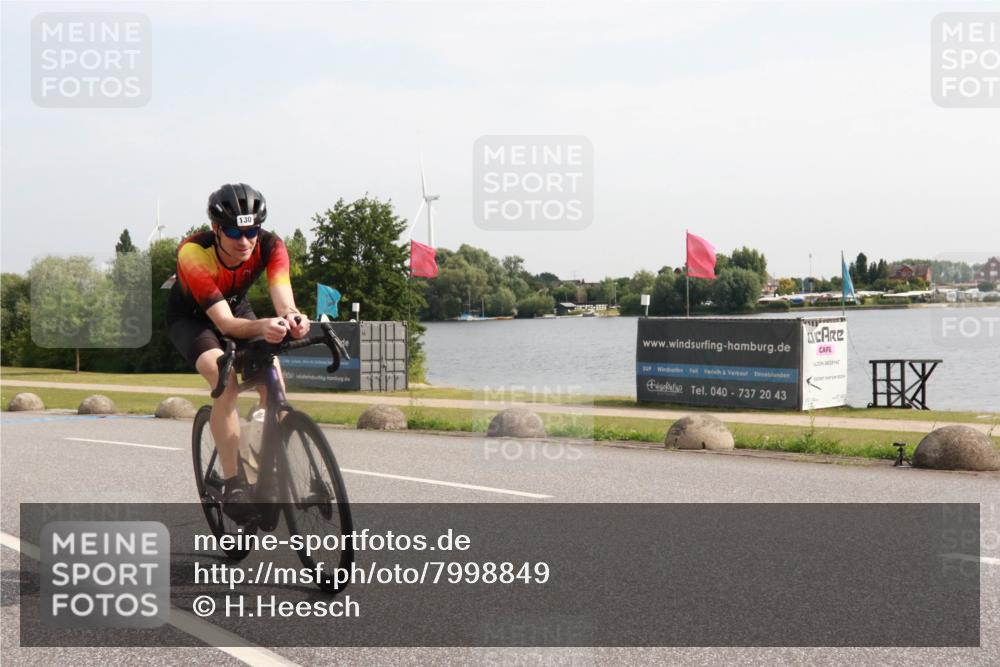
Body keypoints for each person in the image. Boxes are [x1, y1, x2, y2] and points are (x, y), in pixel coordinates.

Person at [166, 183, 309, 523]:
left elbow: (284, 300)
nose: (244, 241)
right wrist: (264, 326)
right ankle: (233, 484)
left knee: (273, 382)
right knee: (225, 380)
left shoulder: (272, 246)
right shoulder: (193, 253)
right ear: (216, 229)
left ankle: (262, 467)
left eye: (251, 231)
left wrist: (293, 318)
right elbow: (225, 324)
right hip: (193, 320)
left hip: (236, 309)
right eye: (233, 231)